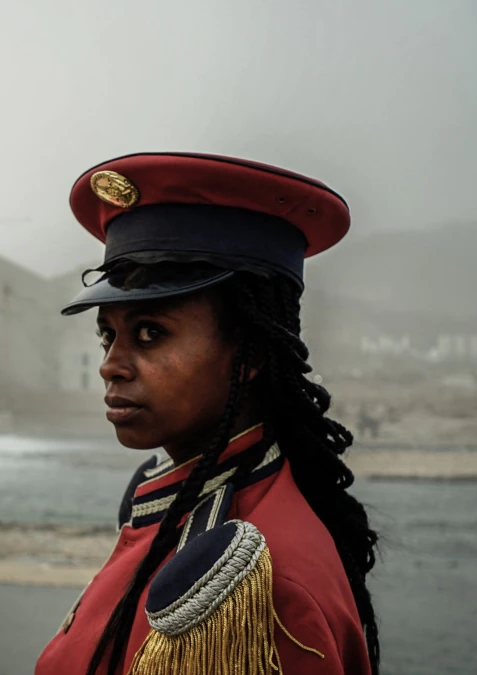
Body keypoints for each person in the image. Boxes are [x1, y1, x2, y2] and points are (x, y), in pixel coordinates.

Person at [34, 153, 379, 675]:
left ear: (252, 354)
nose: (110, 366)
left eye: (150, 332)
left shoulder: (256, 590)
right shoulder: (186, 501)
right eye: (109, 335)